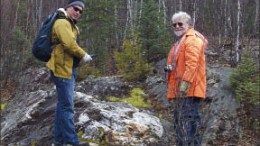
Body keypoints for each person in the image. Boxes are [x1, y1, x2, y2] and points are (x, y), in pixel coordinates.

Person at [46, 0, 92, 145]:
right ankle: (72, 142)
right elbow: (69, 44)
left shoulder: (68, 23)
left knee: (62, 107)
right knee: (67, 108)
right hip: (62, 70)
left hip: (67, 68)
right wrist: (83, 54)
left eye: (81, 11)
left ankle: (59, 142)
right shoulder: (62, 22)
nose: (78, 12)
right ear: (68, 8)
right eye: (76, 8)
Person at [165, 11, 208, 146]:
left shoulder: (193, 40)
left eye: (180, 24)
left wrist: (185, 84)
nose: (177, 26)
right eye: (174, 24)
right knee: (180, 124)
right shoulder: (180, 42)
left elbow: (192, 65)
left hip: (189, 90)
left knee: (188, 125)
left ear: (188, 24)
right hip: (182, 91)